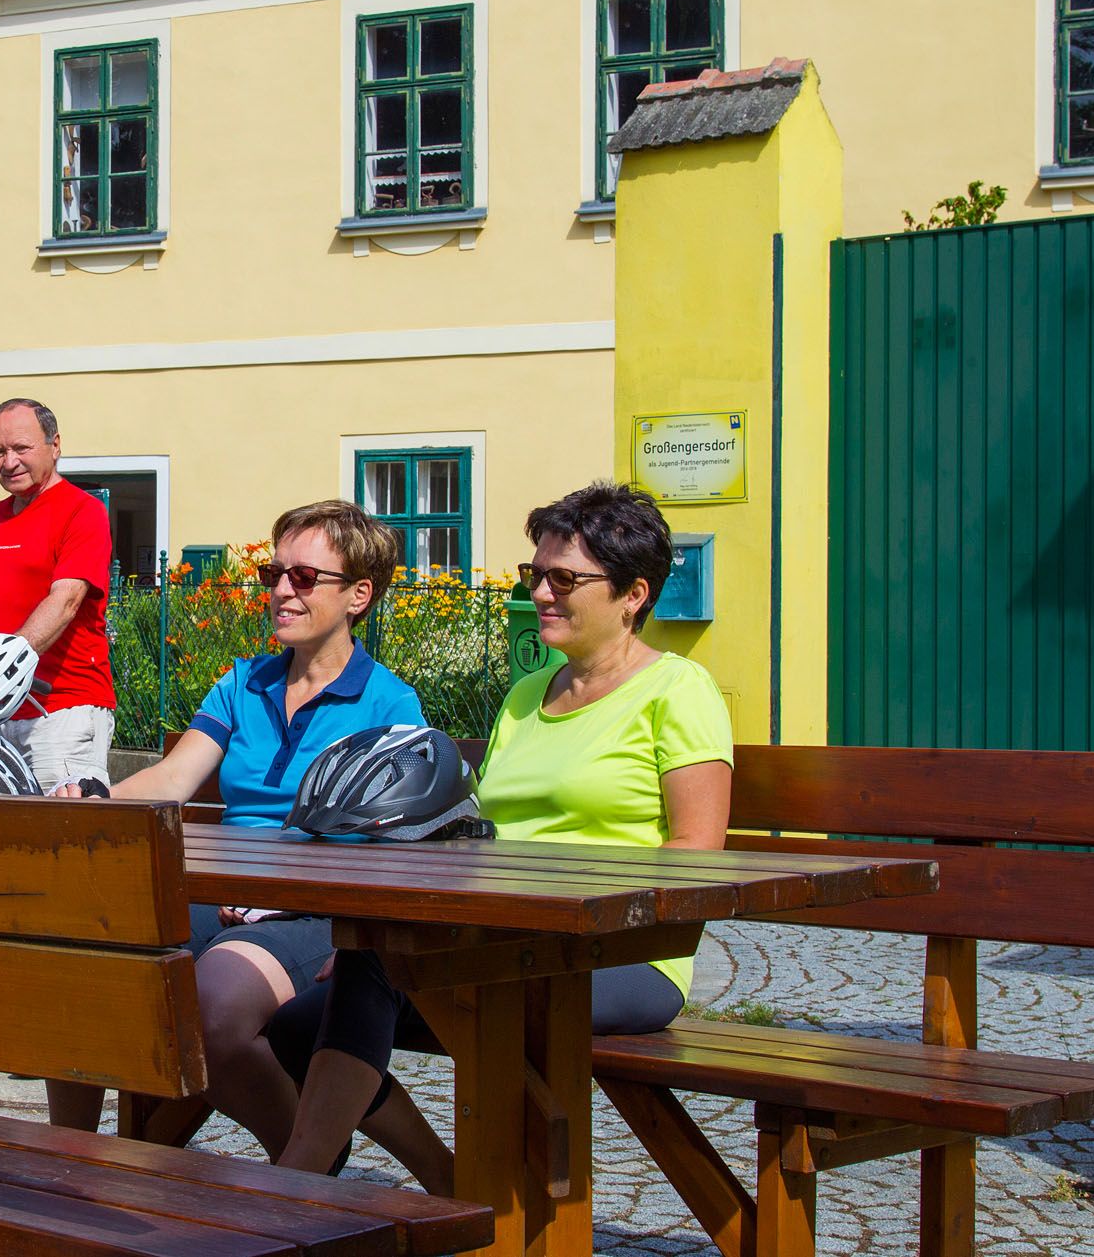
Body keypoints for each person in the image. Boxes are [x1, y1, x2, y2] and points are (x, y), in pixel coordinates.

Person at [268, 481, 733, 1192]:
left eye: (565, 578)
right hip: (506, 936)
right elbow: (476, 833)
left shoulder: (679, 690)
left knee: (380, 973)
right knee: (314, 1005)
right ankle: (440, 1181)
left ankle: (292, 1196)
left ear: (633, 593)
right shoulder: (528, 695)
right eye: (534, 574)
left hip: (627, 951)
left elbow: (697, 853)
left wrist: (575, 915)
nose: (542, 592)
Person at [51, 499, 424, 1153]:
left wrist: (285, 892)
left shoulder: (388, 703)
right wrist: (92, 796)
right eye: (273, 574)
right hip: (220, 889)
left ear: (359, 594)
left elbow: (386, 836)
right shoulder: (243, 682)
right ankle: (72, 1160)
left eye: (304, 577)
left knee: (215, 1005)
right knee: (75, 954)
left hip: (314, 907)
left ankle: (302, 1156)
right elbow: (172, 779)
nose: (281, 589)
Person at [0, 397, 115, 788]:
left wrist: (0, 667)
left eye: (21, 448)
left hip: (60, 712)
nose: (9, 462)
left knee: (60, 837)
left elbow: (66, 601)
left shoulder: (83, 511)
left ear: (55, 446)